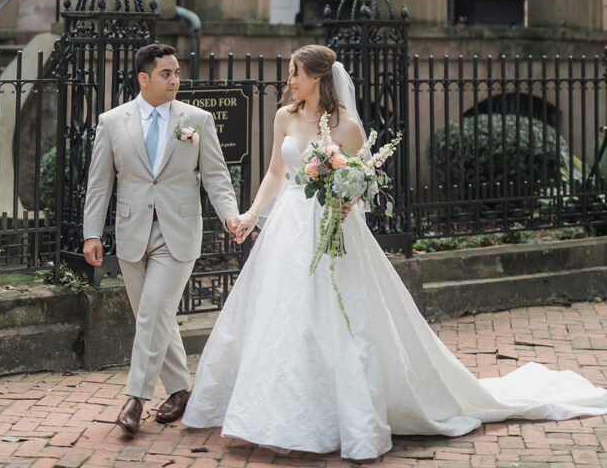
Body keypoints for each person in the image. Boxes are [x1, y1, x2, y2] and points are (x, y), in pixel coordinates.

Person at [183, 44, 607, 461]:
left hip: (333, 228)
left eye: (295, 72)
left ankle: (344, 414)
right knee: (281, 316)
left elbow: (364, 179)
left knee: (338, 316)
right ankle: (272, 415)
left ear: (316, 77)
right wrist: (252, 214)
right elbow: (276, 171)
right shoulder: (284, 117)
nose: (289, 81)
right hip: (289, 227)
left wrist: (348, 198)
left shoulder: (347, 126)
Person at [82, 42, 240, 435]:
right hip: (132, 232)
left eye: (177, 73)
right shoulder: (112, 121)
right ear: (144, 78)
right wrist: (91, 233)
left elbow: (217, 177)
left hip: (179, 233)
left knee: (153, 312)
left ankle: (136, 398)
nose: (175, 80)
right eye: (166, 73)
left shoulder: (197, 120)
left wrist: (230, 216)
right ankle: (182, 390)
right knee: (156, 316)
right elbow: (100, 184)